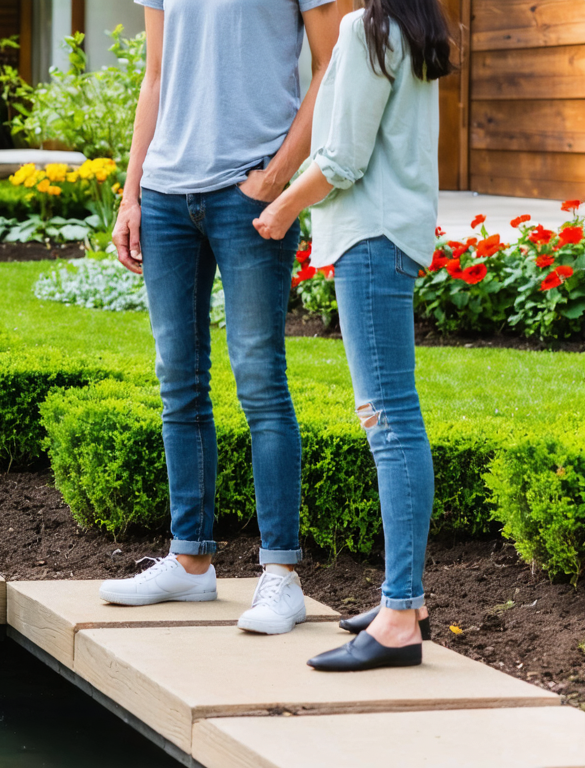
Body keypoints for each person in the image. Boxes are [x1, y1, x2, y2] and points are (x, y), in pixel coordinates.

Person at [100, 0, 343, 635]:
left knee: (260, 379)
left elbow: (330, 63)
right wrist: (131, 194)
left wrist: (278, 177)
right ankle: (190, 561)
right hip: (165, 195)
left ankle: (281, 576)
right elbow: (155, 76)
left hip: (246, 189)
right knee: (177, 378)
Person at [252, 0, 452, 670]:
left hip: (370, 239)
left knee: (387, 420)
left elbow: (341, 157)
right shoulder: (417, 26)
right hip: (395, 235)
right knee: (394, 416)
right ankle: (408, 599)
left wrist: (279, 205)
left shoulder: (364, 27)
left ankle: (398, 619)